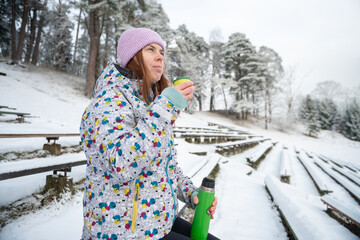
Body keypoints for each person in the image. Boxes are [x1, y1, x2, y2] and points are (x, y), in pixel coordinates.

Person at [80, 28, 219, 240]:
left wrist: (192, 194)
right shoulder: (107, 102)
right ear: (132, 57)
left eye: (162, 51)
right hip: (120, 231)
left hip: (154, 220)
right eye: (150, 49)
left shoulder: (148, 103)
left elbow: (164, 166)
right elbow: (123, 164)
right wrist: (164, 108)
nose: (160, 56)